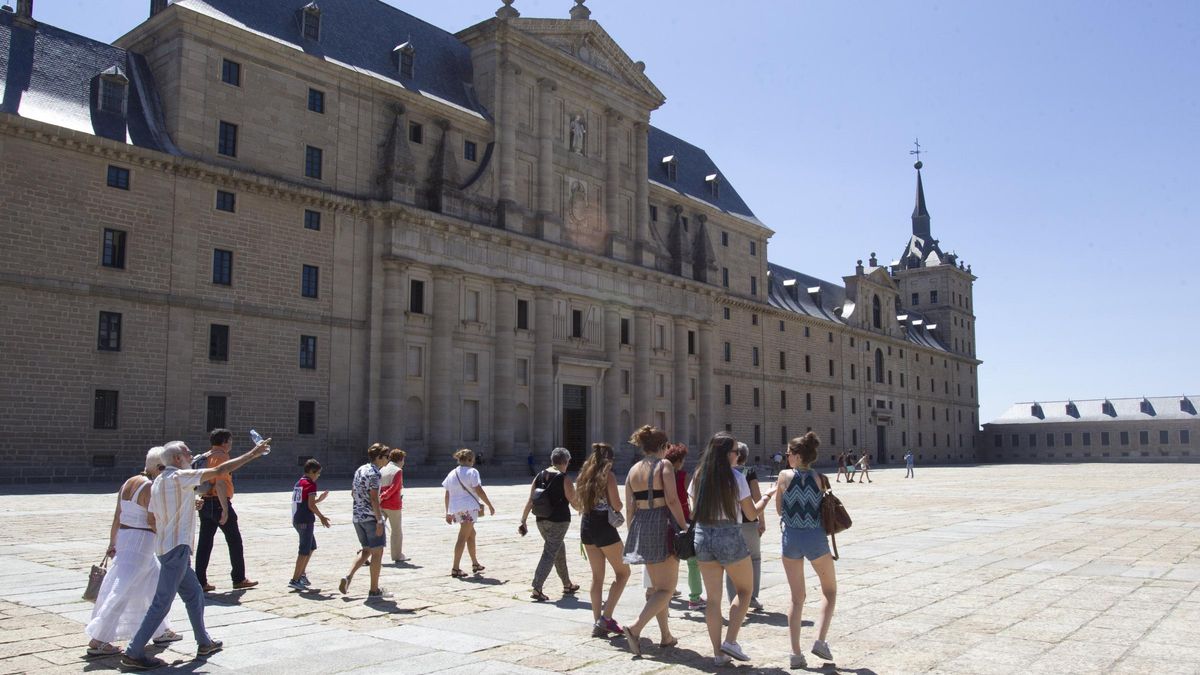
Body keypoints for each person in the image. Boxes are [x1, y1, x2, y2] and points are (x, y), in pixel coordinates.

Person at [120, 437, 269, 670]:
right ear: (178, 459)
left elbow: (154, 516)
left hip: (166, 547)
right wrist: (253, 454)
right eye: (188, 453)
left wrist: (188, 507)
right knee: (162, 602)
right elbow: (220, 470)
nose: (193, 455)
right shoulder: (179, 477)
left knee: (194, 595)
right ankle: (133, 652)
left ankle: (204, 642)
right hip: (176, 549)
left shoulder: (159, 481)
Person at [690, 432, 776, 666]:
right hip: (728, 534)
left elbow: (692, 510)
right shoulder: (735, 477)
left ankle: (718, 655)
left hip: (703, 535)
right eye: (736, 451)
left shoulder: (699, 475)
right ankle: (730, 640)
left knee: (713, 600)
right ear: (726, 454)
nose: (739, 455)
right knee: (745, 591)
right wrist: (767, 497)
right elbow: (750, 513)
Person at [85, 447, 180, 657]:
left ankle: (161, 629)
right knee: (123, 589)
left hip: (127, 538)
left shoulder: (129, 482)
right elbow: (152, 519)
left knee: (152, 585)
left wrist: (113, 541)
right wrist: (169, 537)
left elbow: (118, 514)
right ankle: (99, 638)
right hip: (141, 543)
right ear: (157, 467)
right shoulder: (149, 486)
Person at [621, 425, 688, 657]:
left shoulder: (632, 470)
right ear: (662, 447)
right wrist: (684, 525)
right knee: (667, 588)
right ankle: (635, 627)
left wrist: (633, 531)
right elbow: (671, 499)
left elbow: (630, 506)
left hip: (641, 525)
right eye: (667, 447)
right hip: (662, 524)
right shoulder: (664, 465)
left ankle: (666, 636)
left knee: (658, 588)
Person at [775, 432, 838, 668]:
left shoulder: (783, 476)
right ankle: (820, 640)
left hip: (791, 539)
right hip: (815, 538)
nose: (787, 457)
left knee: (796, 598)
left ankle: (795, 654)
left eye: (789, 453)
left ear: (798, 456)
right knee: (830, 591)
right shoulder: (820, 478)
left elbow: (780, 510)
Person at [574, 443, 630, 637]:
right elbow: (616, 504)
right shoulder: (609, 477)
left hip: (586, 525)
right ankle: (606, 617)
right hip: (604, 527)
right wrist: (621, 504)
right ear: (610, 461)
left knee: (597, 577)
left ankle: (597, 621)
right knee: (623, 573)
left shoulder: (583, 476)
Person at [195, 429, 257, 593]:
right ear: (224, 442)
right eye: (230, 441)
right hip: (218, 502)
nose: (231, 444)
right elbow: (221, 483)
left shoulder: (206, 455)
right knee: (234, 541)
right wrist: (225, 509)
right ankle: (239, 578)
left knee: (204, 544)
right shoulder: (221, 457)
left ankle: (200, 581)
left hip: (205, 502)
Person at [519, 447, 580, 600]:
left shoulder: (539, 475)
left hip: (541, 519)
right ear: (565, 462)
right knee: (550, 552)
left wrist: (523, 521)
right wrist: (585, 510)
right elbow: (574, 501)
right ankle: (537, 587)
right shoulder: (564, 478)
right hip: (559, 521)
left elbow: (530, 500)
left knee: (558, 549)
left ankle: (567, 584)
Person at [339, 443, 392, 600]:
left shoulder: (360, 469)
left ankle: (347, 576)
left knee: (366, 550)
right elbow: (374, 498)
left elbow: (353, 492)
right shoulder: (375, 474)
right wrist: (379, 520)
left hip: (357, 517)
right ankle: (374, 589)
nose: (388, 460)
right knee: (377, 552)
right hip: (370, 517)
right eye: (386, 457)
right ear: (379, 457)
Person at [725, 442, 767, 612]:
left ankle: (732, 598)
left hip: (730, 522)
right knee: (754, 559)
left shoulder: (724, 473)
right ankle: (751, 597)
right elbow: (756, 495)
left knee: (731, 561)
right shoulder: (748, 472)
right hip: (749, 522)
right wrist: (761, 520)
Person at [442, 448, 496, 577]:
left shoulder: (452, 473)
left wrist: (448, 512)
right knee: (462, 537)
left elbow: (447, 493)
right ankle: (455, 568)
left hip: (457, 509)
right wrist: (489, 505)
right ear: (470, 459)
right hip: (469, 508)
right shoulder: (472, 472)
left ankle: (475, 563)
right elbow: (479, 490)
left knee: (471, 534)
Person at [664, 443, 704, 611]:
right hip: (683, 518)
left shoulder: (661, 475)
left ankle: (669, 589)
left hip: (665, 519)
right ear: (679, 461)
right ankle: (695, 597)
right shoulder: (683, 475)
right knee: (692, 559)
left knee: (669, 556)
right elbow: (692, 494)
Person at [289, 459, 330, 591]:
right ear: (312, 472)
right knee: (304, 550)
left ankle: (302, 574)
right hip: (305, 521)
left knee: (311, 546)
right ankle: (295, 579)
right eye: (317, 473)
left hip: (297, 519)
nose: (318, 476)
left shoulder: (300, 482)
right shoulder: (310, 484)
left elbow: (306, 503)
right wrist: (322, 517)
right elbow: (311, 506)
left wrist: (319, 499)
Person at [380, 448, 407, 563]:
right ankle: (397, 555)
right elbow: (395, 487)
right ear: (400, 460)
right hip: (393, 504)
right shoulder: (397, 470)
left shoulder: (382, 469)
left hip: (381, 504)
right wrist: (385, 496)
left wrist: (380, 497)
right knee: (396, 531)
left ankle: (366, 552)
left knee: (377, 528)